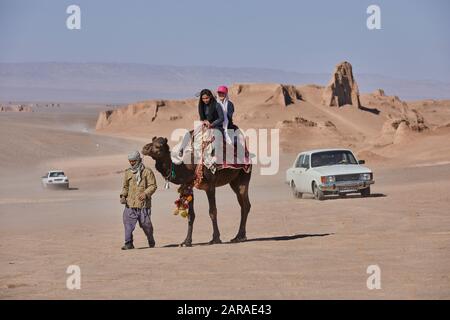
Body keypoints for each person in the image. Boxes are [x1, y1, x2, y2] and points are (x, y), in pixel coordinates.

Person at [119, 151, 157, 250]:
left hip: (143, 205)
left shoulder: (147, 172)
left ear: (139, 160)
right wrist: (123, 196)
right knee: (128, 224)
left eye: (133, 161)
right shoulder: (128, 172)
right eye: (130, 161)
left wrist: (145, 193)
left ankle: (150, 238)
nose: (132, 163)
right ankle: (128, 243)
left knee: (146, 225)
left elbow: (153, 185)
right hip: (130, 204)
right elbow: (125, 187)